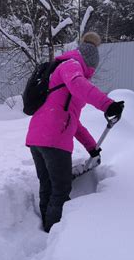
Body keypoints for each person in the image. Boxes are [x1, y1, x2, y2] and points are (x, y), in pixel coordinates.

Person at [26, 32, 124, 233]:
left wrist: (92, 148)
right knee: (60, 190)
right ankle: (55, 235)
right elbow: (80, 85)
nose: (91, 73)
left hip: (36, 139)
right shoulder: (71, 66)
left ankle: (46, 227)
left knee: (47, 185)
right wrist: (108, 105)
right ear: (89, 63)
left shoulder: (57, 72)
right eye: (92, 70)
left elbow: (74, 123)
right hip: (54, 140)